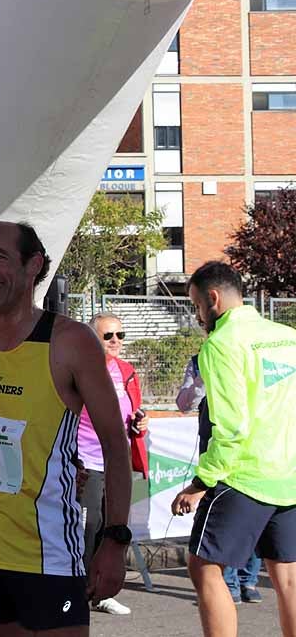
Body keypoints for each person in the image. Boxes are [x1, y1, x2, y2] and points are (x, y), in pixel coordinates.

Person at [0, 222, 132, 635]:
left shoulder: (69, 340)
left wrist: (114, 542)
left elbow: (115, 446)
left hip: (46, 553)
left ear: (34, 265)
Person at [171, 261, 295, 637]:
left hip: (243, 477)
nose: (197, 315)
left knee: (204, 567)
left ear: (213, 298)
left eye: (195, 306)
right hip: (288, 476)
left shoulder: (221, 344)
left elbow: (231, 428)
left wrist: (200, 482)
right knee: (287, 575)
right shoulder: (287, 335)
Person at [177, 353, 264, 606]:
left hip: (250, 455)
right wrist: (201, 381)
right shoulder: (197, 361)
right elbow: (184, 403)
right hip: (214, 452)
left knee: (252, 521)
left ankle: (249, 580)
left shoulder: (253, 354)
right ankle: (230, 584)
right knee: (222, 524)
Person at [78, 313, 149, 616]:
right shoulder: (79, 369)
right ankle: (79, 591)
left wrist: (139, 426)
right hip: (87, 461)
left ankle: (101, 592)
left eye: (120, 335)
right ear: (93, 338)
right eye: (108, 336)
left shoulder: (127, 371)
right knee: (88, 527)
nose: (116, 341)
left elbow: (131, 416)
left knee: (113, 527)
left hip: (115, 465)